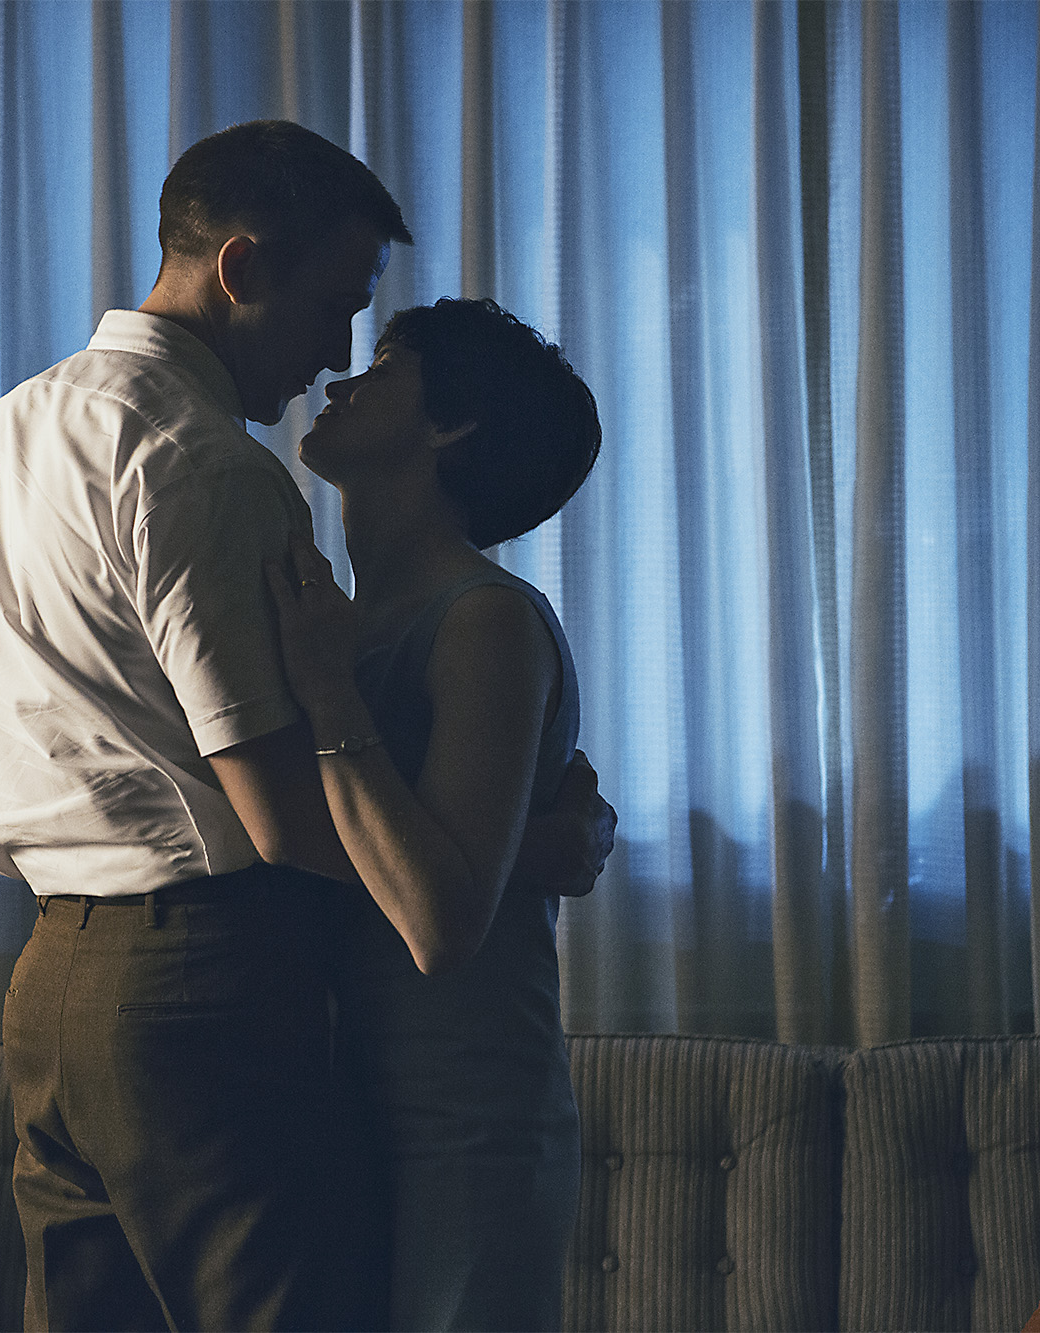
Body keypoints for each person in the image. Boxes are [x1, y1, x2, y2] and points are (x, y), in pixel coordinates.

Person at [0, 122, 613, 1332]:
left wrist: (494, 848)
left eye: (373, 348)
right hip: (200, 987)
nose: (336, 358)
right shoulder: (204, 466)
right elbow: (292, 819)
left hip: (52, 979)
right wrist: (520, 854)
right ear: (240, 269)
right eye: (336, 308)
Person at [264, 297, 603, 1332]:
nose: (339, 383)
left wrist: (329, 696)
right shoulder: (345, 620)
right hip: (342, 1104)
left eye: (383, 370)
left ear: (451, 424)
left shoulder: (484, 620)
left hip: (466, 1122)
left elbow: (441, 923)